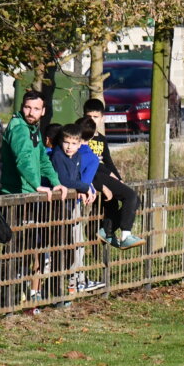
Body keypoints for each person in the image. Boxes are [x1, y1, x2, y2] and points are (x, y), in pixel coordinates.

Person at [0, 92, 67, 302]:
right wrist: (37, 184)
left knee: (26, 249)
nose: (31, 112)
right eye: (28, 107)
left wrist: (55, 181)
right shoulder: (19, 128)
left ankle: (10, 295)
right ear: (22, 107)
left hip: (28, 196)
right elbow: (23, 159)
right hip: (15, 197)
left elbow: (42, 159)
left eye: (36, 109)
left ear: (43, 111)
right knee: (14, 251)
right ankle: (4, 299)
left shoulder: (33, 129)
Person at [49, 122, 104, 295]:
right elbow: (64, 180)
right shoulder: (58, 156)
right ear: (61, 141)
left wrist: (86, 187)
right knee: (61, 248)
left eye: (73, 143)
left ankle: (74, 282)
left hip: (72, 205)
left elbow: (77, 178)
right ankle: (60, 287)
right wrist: (85, 187)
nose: (69, 147)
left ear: (80, 143)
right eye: (66, 142)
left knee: (76, 244)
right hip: (58, 207)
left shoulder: (77, 156)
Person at [81, 100, 144, 249]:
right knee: (130, 196)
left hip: (104, 174)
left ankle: (107, 231)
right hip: (94, 176)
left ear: (102, 118)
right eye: (89, 116)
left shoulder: (101, 139)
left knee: (135, 200)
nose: (92, 120)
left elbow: (108, 161)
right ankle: (125, 235)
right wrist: (107, 179)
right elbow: (91, 163)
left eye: (95, 117)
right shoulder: (82, 137)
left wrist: (118, 179)